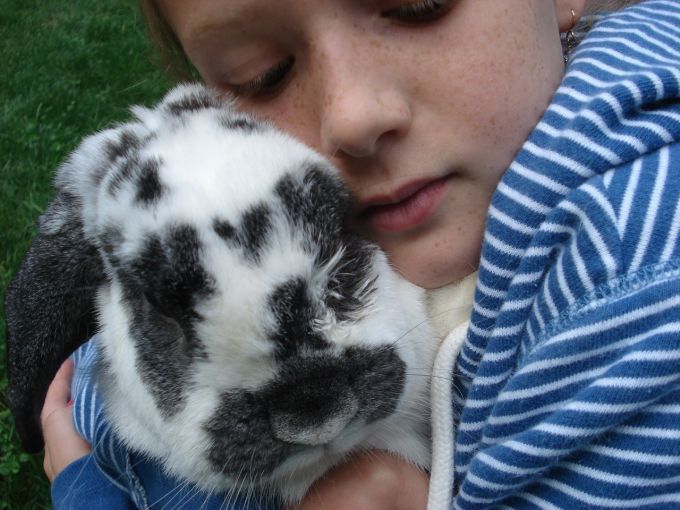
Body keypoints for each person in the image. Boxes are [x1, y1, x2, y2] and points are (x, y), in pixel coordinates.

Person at [37, 0, 680, 508]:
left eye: (420, 5)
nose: (351, 116)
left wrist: (85, 487)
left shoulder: (630, 288)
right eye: (260, 74)